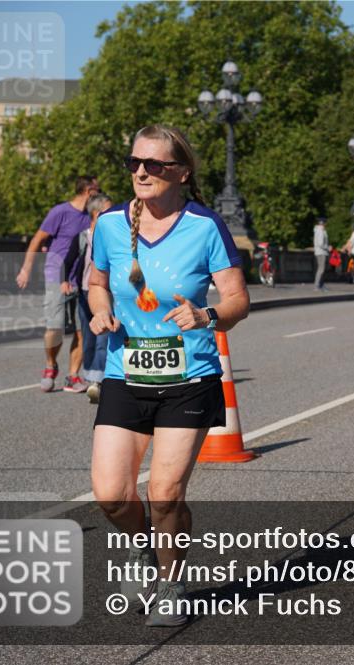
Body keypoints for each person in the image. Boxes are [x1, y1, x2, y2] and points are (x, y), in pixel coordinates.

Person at [88, 124, 249, 626]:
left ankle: (172, 583)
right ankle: (141, 552)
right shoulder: (111, 224)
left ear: (180, 172)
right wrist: (98, 310)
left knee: (164, 494)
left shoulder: (205, 227)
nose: (140, 171)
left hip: (188, 378)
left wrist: (207, 316)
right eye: (134, 162)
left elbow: (238, 299)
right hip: (124, 373)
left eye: (153, 165)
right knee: (111, 494)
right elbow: (96, 282)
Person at [16, 175, 100, 392]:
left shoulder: (92, 216)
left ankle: (72, 376)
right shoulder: (60, 212)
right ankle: (50, 364)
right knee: (55, 328)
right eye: (97, 191)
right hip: (56, 276)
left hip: (81, 280)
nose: (99, 195)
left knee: (83, 331)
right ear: (88, 191)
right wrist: (26, 268)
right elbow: (37, 239)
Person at [63, 193, 113, 403]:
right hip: (84, 292)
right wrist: (65, 281)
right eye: (107, 210)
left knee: (104, 335)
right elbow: (69, 259)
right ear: (95, 213)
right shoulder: (84, 236)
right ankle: (91, 375)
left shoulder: (114, 235)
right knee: (88, 335)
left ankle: (99, 380)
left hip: (107, 291)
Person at [313, 217, 330, 291]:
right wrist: (327, 247)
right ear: (323, 223)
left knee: (321, 269)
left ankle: (321, 285)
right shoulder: (320, 230)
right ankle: (317, 285)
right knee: (321, 269)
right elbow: (320, 243)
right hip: (321, 252)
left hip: (321, 252)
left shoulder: (319, 230)